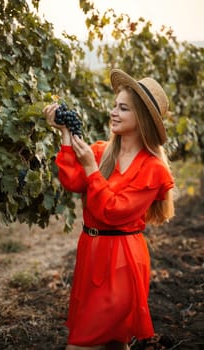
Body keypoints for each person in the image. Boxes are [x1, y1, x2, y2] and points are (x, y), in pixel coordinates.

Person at [43, 69, 175, 350]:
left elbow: (113, 211)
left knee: (80, 344)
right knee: (114, 343)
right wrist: (66, 135)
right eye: (115, 105)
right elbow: (73, 181)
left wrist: (91, 167)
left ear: (142, 119)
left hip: (121, 262)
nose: (114, 112)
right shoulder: (103, 151)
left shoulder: (152, 170)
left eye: (123, 108)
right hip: (91, 253)